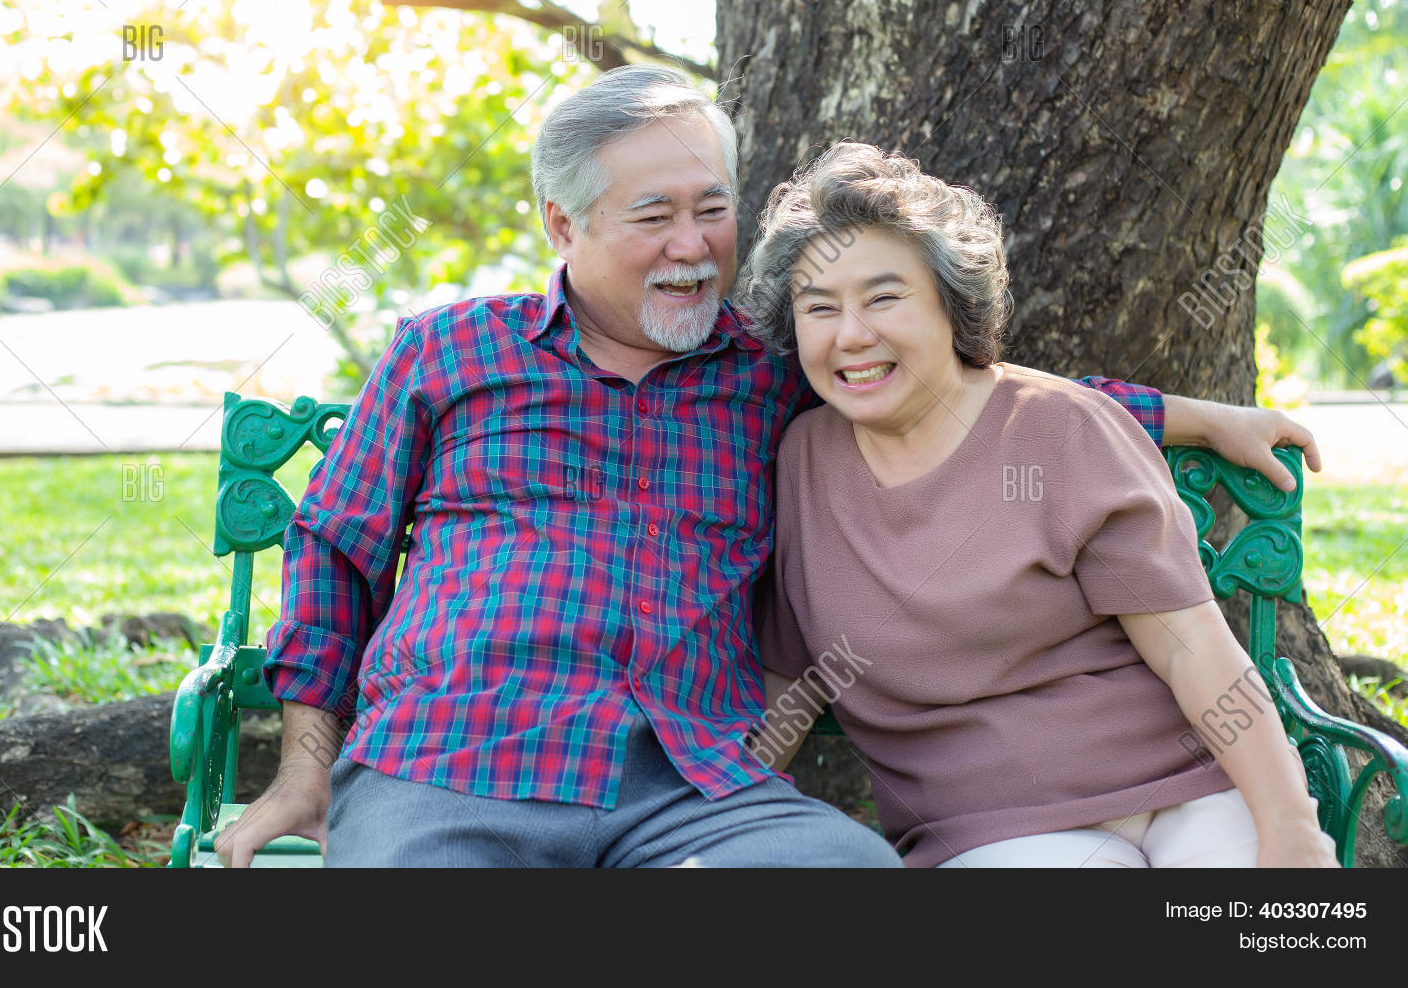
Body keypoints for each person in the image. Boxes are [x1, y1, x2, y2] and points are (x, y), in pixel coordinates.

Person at [216, 67, 1322, 867]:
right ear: (561, 222)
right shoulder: (449, 353)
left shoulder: (768, 373)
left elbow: (952, 390)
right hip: (458, 762)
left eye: (713, 210)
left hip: (696, 783)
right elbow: (335, 548)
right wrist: (305, 766)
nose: (694, 246)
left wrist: (1187, 414)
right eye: (654, 216)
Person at [734, 141, 1338, 868]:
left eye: (884, 297)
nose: (852, 334)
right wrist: (715, 819)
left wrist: (1290, 830)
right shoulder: (799, 465)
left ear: (949, 304)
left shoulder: (1059, 426)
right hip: (998, 834)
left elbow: (1198, 655)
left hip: (1185, 790)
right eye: (820, 307)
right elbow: (788, 690)